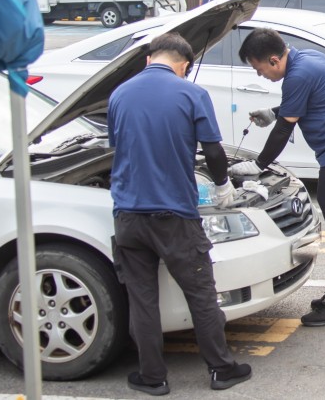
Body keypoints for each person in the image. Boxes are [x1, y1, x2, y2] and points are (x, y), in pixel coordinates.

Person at [108, 32, 251, 396]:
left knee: (142, 299)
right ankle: (221, 369)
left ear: (148, 59)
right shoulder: (190, 93)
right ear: (184, 66)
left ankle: (152, 377)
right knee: (201, 295)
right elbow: (214, 153)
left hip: (128, 216)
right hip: (174, 215)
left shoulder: (119, 94)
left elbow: (118, 147)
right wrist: (222, 187)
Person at [230, 28, 325, 327]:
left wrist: (258, 165)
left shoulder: (298, 75)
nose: (261, 76)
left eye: (259, 70)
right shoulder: (308, 59)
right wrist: (274, 110)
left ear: (273, 59)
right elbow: (305, 100)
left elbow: (284, 129)